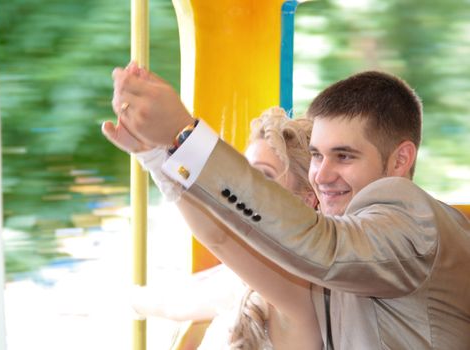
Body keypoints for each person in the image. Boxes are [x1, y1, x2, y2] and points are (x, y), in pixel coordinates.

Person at [106, 65, 470, 349]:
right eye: (316, 156)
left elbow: (323, 246)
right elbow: (223, 238)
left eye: (344, 156)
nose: (322, 175)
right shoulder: (336, 261)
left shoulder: (412, 221)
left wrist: (186, 134)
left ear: (400, 159)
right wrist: (157, 155)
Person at [116, 107, 321, 349]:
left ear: (306, 200)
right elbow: (174, 303)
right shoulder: (244, 276)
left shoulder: (301, 287)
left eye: (263, 178)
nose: (245, 189)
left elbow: (218, 237)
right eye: (244, 175)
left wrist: (156, 156)